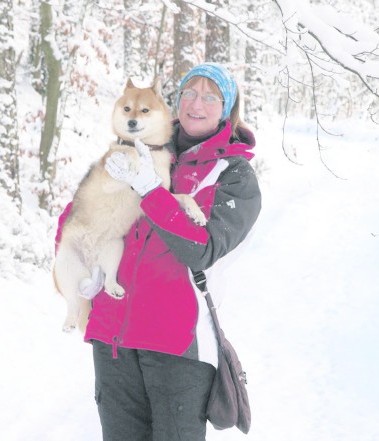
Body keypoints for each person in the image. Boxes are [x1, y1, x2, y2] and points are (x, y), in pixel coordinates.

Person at [56, 62, 261, 440]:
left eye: (210, 96)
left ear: (227, 109)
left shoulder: (234, 176)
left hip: (177, 343)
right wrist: (82, 267)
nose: (197, 103)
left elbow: (203, 249)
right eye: (189, 93)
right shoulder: (140, 146)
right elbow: (79, 213)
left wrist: (153, 192)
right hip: (113, 337)